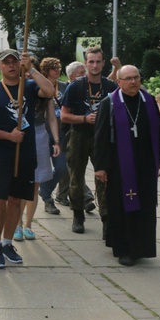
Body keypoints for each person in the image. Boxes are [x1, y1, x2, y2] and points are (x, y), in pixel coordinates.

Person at [0, 49, 54, 268]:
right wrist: (8, 136)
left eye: (14, 61)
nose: (11, 65)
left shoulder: (28, 86)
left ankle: (8, 242)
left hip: (26, 152)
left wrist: (32, 70)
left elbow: (49, 91)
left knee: (16, 200)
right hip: (1, 153)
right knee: (0, 200)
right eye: (6, 62)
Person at [94, 65, 160, 266]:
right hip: (119, 165)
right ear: (119, 81)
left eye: (136, 78)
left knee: (145, 205)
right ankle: (124, 249)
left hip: (145, 163)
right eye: (128, 79)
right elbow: (100, 137)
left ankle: (142, 247)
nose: (133, 82)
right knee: (121, 206)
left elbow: (158, 133)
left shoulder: (148, 101)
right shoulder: (109, 103)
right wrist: (100, 166)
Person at [60, 46, 117, 235]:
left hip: (102, 137)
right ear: (86, 63)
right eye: (91, 61)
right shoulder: (75, 86)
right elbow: (64, 116)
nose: (94, 65)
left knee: (105, 179)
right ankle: (78, 215)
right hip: (78, 135)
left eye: (98, 61)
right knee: (76, 178)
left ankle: (107, 219)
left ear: (102, 62)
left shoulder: (110, 86)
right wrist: (84, 118)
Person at [15, 58, 61, 241]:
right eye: (24, 70)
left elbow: (51, 118)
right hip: (20, 136)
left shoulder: (42, 91)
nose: (27, 74)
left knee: (35, 183)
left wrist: (56, 141)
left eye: (30, 70)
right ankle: (16, 225)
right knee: (19, 184)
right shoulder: (15, 88)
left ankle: (28, 225)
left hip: (40, 136)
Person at [54, 61, 94, 210]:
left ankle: (61, 195)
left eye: (84, 73)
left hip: (80, 133)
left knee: (68, 167)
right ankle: (87, 197)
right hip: (65, 132)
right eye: (80, 74)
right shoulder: (68, 88)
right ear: (71, 77)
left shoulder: (88, 87)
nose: (84, 76)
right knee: (71, 167)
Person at [36, 57, 67, 215]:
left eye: (59, 67)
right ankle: (48, 200)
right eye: (54, 67)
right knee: (41, 169)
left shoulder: (64, 86)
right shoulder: (39, 87)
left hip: (60, 133)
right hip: (42, 132)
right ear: (46, 70)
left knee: (62, 166)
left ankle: (45, 190)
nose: (57, 70)